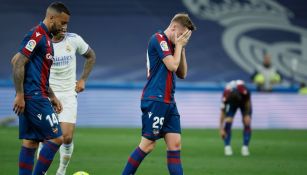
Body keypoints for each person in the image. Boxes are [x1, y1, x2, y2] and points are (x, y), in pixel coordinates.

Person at [122, 13, 196, 175]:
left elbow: (182, 73)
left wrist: (181, 48)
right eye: (183, 33)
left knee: (175, 145)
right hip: (156, 98)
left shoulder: (173, 45)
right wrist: (179, 46)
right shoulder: (158, 39)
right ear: (175, 27)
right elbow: (172, 66)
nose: (184, 37)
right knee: (148, 145)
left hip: (169, 101)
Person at [11, 2, 70, 174]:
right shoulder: (36, 34)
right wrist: (20, 95)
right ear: (51, 18)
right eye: (62, 22)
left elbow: (16, 60)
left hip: (38, 93)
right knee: (58, 137)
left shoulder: (46, 39)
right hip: (34, 96)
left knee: (31, 141)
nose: (64, 27)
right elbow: (18, 63)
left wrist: (52, 96)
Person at [37, 25, 96, 175]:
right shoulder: (43, 43)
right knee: (46, 138)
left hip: (68, 94)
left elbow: (91, 56)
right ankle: (41, 172)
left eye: (66, 24)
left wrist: (82, 79)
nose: (65, 27)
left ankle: (61, 170)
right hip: (48, 93)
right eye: (61, 24)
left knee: (66, 137)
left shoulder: (74, 39)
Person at [219, 80, 252, 156]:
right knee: (228, 121)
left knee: (247, 122)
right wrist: (221, 128)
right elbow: (222, 112)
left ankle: (245, 147)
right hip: (232, 104)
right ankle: (227, 147)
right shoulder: (226, 95)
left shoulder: (244, 91)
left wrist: (247, 114)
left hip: (244, 102)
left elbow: (248, 102)